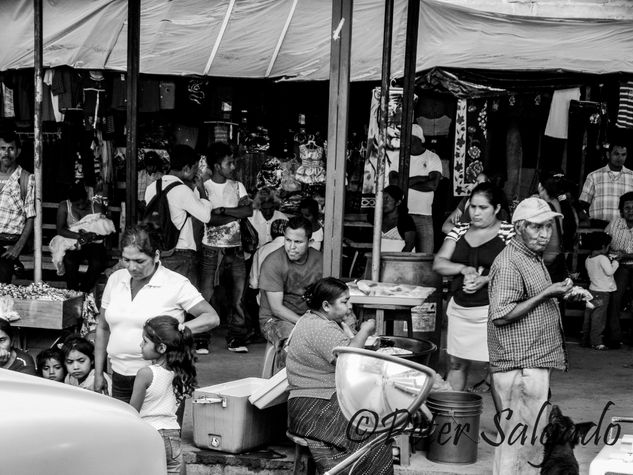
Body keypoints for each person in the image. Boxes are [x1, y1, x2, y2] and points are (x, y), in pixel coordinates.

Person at [488, 196, 574, 474]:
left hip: (530, 362)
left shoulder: (530, 257)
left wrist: (564, 293)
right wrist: (548, 293)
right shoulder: (510, 262)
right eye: (537, 227)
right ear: (520, 227)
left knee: (524, 440)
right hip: (519, 367)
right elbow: (501, 315)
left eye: (548, 227)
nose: (545, 234)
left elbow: (531, 299)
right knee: (519, 444)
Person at [94, 224, 219, 403]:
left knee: (160, 428)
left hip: (161, 377)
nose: (131, 267)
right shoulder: (116, 279)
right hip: (119, 375)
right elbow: (103, 328)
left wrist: (174, 332)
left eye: (139, 261)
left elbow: (211, 318)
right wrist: (99, 373)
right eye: (126, 260)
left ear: (156, 256)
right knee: (125, 429)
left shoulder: (175, 283)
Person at [286, 277, 392, 475]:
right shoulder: (320, 328)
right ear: (326, 305)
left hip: (313, 402)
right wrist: (366, 330)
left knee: (370, 422)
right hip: (313, 406)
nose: (349, 306)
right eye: (344, 301)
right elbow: (351, 358)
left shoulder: (312, 319)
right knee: (372, 431)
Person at [433, 183, 514, 396]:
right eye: (473, 206)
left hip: (493, 311)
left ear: (496, 208)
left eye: (483, 208)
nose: (476, 213)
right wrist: (463, 268)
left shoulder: (509, 232)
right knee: (456, 364)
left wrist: (486, 279)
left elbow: (517, 271)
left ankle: (505, 425)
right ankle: (450, 422)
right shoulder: (459, 229)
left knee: (498, 370)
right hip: (460, 309)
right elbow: (439, 262)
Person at [199, 142, 253, 354]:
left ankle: (236, 337)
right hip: (210, 250)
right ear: (217, 166)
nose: (233, 166)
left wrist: (221, 210)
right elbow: (207, 218)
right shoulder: (203, 188)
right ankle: (201, 339)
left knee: (237, 296)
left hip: (235, 249)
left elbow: (247, 211)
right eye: (229, 163)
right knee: (205, 296)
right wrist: (233, 213)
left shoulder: (238, 185)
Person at [130, 316, 197, 474]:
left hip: (149, 435)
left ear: (161, 348)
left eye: (145, 342)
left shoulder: (146, 374)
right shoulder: (182, 374)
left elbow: (132, 412)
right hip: (173, 436)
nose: (141, 345)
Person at [259, 216, 323, 371]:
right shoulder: (273, 262)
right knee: (293, 343)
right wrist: (307, 324)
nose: (291, 247)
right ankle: (287, 390)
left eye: (298, 242)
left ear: (310, 242)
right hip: (275, 320)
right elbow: (277, 308)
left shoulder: (320, 260)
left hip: (309, 317)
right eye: (288, 240)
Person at [144, 144, 212, 288]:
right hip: (181, 253)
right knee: (184, 303)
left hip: (159, 253)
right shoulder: (182, 190)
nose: (196, 173)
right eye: (195, 168)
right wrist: (201, 190)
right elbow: (206, 216)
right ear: (186, 169)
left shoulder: (152, 187)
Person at [54, 182, 110, 292]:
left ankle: (83, 291)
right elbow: (60, 229)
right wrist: (79, 236)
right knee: (69, 262)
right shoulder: (64, 206)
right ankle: (72, 291)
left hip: (93, 244)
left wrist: (93, 236)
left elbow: (106, 231)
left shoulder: (96, 207)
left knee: (97, 263)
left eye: (82, 203)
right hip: (73, 243)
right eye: (76, 204)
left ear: (86, 198)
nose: (80, 206)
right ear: (70, 201)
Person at [0, 130, 35, 283]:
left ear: (18, 151)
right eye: (2, 148)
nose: (6, 153)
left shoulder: (26, 179)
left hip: (9, 241)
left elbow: (31, 217)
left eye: (11, 148)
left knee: (3, 276)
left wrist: (18, 247)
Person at [579, 141, 633, 226]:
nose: (620, 158)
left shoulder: (632, 177)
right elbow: (583, 205)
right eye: (616, 154)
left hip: (625, 232)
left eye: (623, 155)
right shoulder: (593, 176)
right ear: (608, 155)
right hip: (598, 229)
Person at [407, 124, 442, 253]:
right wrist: (422, 178)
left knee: (425, 255)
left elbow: (433, 185)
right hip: (403, 215)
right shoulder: (399, 157)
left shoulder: (432, 158)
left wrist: (408, 181)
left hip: (424, 215)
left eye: (409, 138)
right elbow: (396, 183)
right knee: (403, 254)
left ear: (417, 139)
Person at [604, 191, 633, 349]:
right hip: (619, 266)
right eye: (627, 208)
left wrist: (627, 254)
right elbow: (604, 244)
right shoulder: (615, 224)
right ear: (622, 210)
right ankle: (614, 336)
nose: (631, 211)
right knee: (615, 297)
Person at [537, 170, 577, 283]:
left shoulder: (543, 207)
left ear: (540, 186)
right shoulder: (561, 204)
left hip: (545, 259)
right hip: (558, 257)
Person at [582, 232, 618, 351]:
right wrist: (616, 263)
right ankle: (596, 342)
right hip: (602, 293)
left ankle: (585, 340)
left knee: (589, 316)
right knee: (599, 318)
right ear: (603, 246)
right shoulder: (603, 258)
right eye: (608, 246)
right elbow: (609, 272)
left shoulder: (588, 259)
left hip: (592, 291)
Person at [249, 219, 287, 299]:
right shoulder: (297, 249)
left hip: (266, 301)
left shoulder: (261, 251)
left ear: (271, 233)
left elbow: (254, 283)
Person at [378, 185, 416, 252]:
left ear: (398, 202)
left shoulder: (406, 220)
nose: (383, 203)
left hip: (399, 260)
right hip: (378, 261)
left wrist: (398, 260)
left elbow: (410, 244)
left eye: (387, 199)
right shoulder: (378, 218)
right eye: (382, 199)